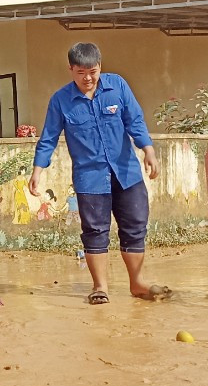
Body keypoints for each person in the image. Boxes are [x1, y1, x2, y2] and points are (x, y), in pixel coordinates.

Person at [28, 42, 162, 305]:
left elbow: (134, 120)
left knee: (135, 226)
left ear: (100, 66)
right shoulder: (60, 101)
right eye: (81, 72)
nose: (88, 78)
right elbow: (49, 138)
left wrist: (149, 151)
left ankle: (137, 282)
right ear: (70, 69)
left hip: (127, 172)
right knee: (95, 230)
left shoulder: (118, 86)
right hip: (90, 177)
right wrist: (37, 171)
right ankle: (100, 286)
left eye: (93, 71)